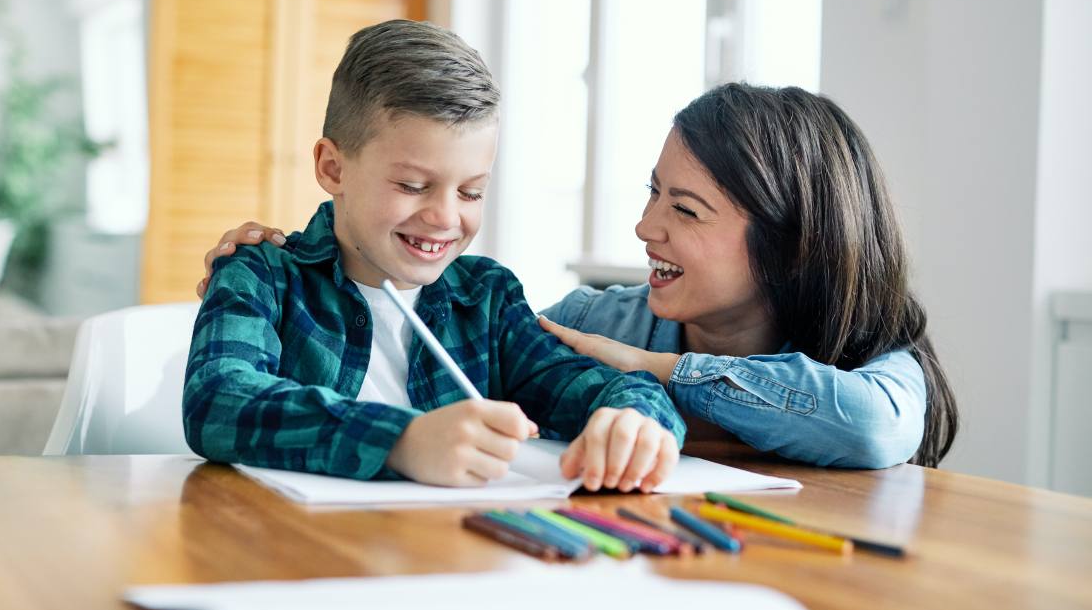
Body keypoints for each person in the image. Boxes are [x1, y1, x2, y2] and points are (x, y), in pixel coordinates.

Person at [203, 82, 958, 469]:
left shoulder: (874, 349)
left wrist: (656, 375)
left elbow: (868, 424)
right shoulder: (596, 324)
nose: (643, 227)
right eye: (651, 193)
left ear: (792, 246)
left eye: (686, 210)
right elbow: (527, 363)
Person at [184, 19, 684, 493]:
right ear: (333, 168)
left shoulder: (487, 299)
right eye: (413, 186)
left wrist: (636, 423)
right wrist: (402, 441)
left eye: (470, 192)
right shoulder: (260, 273)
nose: (445, 218)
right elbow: (216, 401)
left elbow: (603, 387)